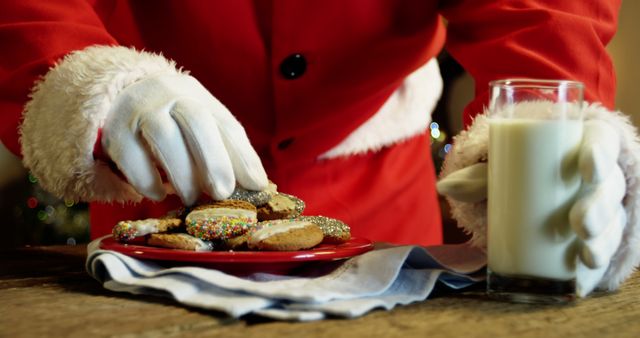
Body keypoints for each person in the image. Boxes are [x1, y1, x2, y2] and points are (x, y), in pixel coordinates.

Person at [1, 1, 637, 294]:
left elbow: (544, 9)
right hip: (149, 171)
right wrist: (86, 84)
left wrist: (558, 129)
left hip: (382, 201)